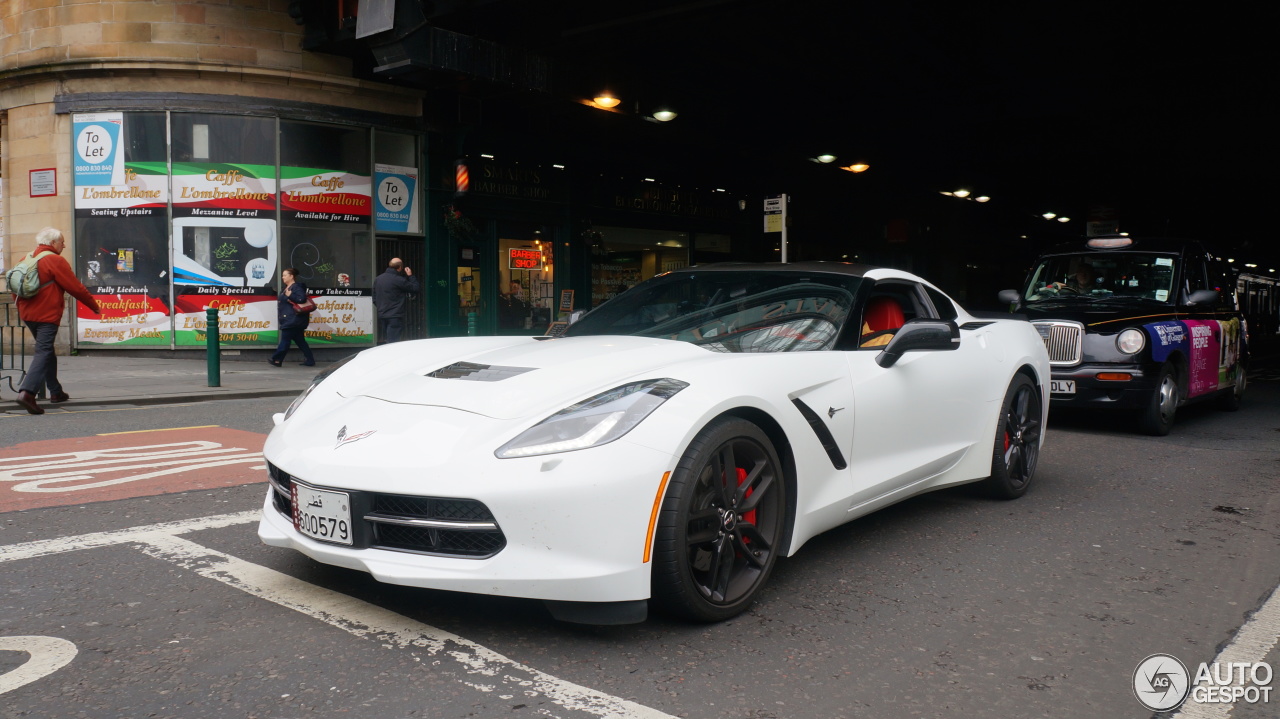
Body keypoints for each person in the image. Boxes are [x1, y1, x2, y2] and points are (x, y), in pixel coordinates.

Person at [11, 227, 102, 415]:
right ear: (52, 243)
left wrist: (22, 309)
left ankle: (55, 392)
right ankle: (27, 393)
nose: (64, 245)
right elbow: (75, 287)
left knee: (47, 350)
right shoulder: (54, 260)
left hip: (28, 314)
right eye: (61, 242)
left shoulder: (25, 259)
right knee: (43, 351)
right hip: (46, 315)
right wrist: (95, 306)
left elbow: (14, 288)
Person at [269, 267, 315, 367]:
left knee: (285, 340)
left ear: (291, 276)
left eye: (285, 275)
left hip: (293, 319)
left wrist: (290, 295)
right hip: (292, 319)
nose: (283, 277)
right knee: (300, 341)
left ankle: (277, 359)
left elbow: (301, 299)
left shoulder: (296, 287)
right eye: (283, 275)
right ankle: (310, 360)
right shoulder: (285, 288)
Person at [373, 257, 420, 343]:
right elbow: (415, 288)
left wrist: (381, 307)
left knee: (387, 338)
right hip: (395, 315)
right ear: (400, 267)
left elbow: (374, 298)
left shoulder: (378, 279)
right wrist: (410, 276)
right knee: (393, 341)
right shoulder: (399, 280)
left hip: (382, 314)